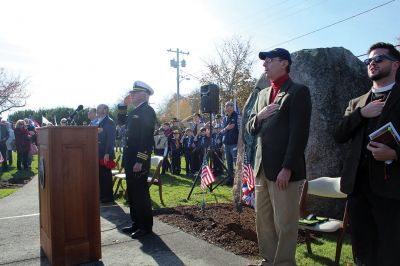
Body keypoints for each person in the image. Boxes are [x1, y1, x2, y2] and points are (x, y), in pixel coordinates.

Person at [334, 42, 400, 266]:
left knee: (390, 250)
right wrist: (362, 114)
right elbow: (339, 134)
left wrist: (395, 153)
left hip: (391, 190)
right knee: (362, 250)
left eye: (379, 59)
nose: (372, 63)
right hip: (357, 189)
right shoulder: (357, 103)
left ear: (395, 65)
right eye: (369, 60)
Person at [247, 48, 311, 266]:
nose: (264, 65)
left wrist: (288, 167)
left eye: (269, 61)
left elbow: (299, 134)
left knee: (284, 223)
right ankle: (268, 260)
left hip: (283, 170)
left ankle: (283, 263)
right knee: (263, 220)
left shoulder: (298, 92)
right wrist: (259, 117)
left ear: (284, 63)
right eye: (263, 62)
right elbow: (250, 128)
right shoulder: (262, 94)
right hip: (261, 168)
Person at [120, 80, 156, 239]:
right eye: (132, 93)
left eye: (135, 93)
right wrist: (123, 106)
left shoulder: (147, 111)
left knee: (140, 193)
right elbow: (121, 123)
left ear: (145, 94)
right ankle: (136, 222)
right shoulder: (136, 110)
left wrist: (140, 161)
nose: (132, 95)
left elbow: (146, 139)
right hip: (129, 158)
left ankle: (145, 226)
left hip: (138, 160)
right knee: (132, 193)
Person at [97, 104, 116, 203]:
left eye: (100, 108)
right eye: (98, 108)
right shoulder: (99, 121)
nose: (98, 109)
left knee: (105, 175)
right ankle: (102, 194)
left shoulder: (109, 121)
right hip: (98, 152)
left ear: (106, 110)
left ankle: (108, 196)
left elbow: (111, 139)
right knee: (100, 175)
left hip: (105, 152)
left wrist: (107, 153)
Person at [221, 101, 239, 185]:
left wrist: (225, 129)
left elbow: (232, 126)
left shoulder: (236, 116)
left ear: (232, 106)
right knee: (228, 163)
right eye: (225, 106)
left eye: (228, 106)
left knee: (236, 162)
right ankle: (230, 179)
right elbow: (224, 130)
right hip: (226, 144)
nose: (226, 107)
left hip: (234, 144)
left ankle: (239, 180)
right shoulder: (225, 118)